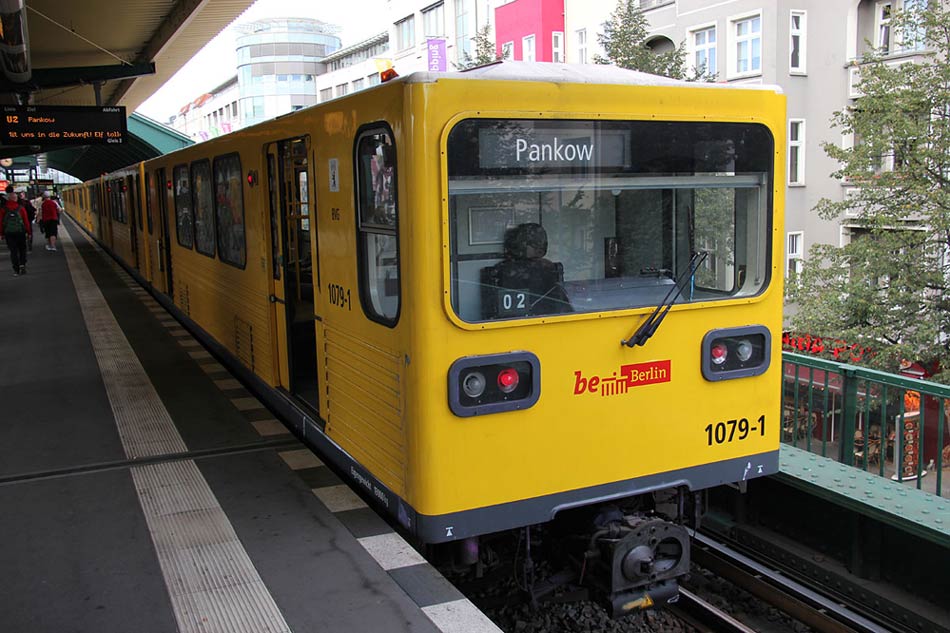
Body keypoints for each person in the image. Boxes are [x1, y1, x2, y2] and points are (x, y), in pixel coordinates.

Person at [0, 188, 32, 275]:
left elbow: (1, 222)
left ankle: (16, 270)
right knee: (22, 249)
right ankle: (22, 264)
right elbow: (26, 221)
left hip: (9, 233)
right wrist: (29, 232)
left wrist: (1, 233)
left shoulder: (3, 209)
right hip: (20, 232)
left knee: (13, 251)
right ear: (15, 199)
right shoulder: (21, 208)